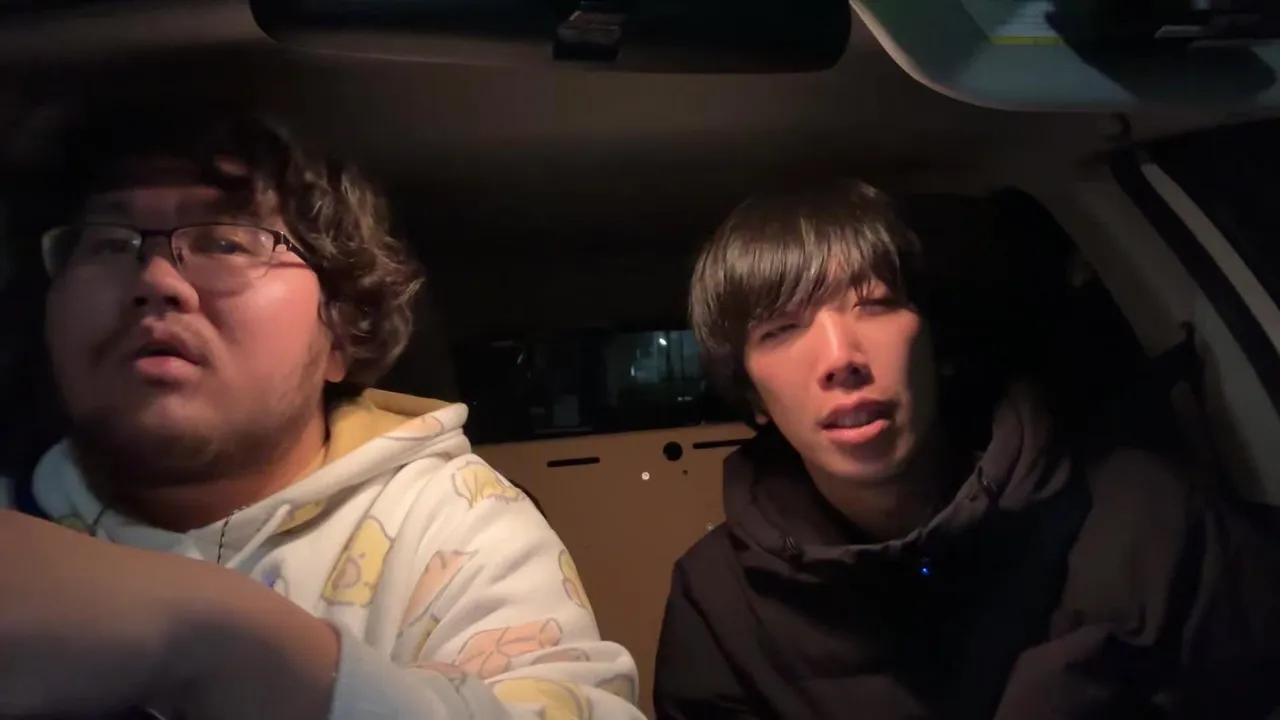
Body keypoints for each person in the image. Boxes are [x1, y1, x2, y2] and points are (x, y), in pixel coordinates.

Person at [0, 111, 643, 720]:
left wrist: (221, 644)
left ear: (340, 331)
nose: (156, 280)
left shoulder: (452, 523)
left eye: (225, 241)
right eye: (108, 244)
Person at [652, 180, 1280, 719]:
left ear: (932, 342)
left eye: (874, 305)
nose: (841, 357)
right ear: (753, 396)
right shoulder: (717, 604)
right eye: (782, 329)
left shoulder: (1144, 514)